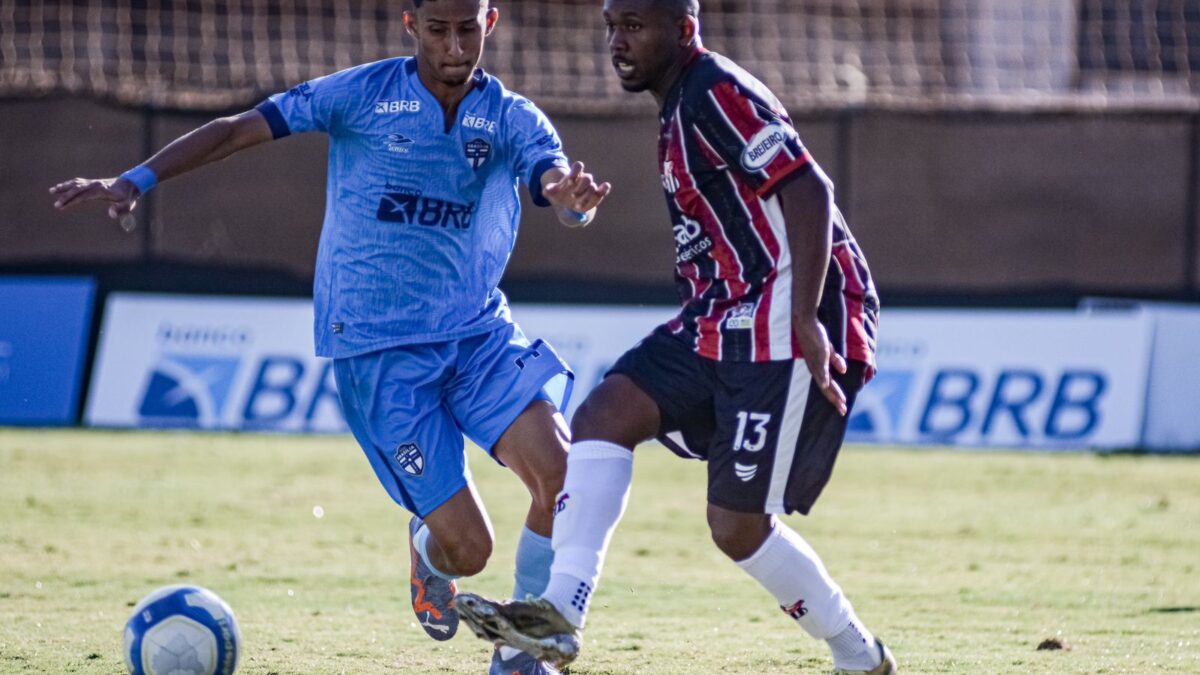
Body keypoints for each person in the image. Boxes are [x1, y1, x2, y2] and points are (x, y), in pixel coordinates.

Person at [50, 1, 610, 673]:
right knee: (470, 550)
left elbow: (550, 178)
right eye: (439, 29)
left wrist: (571, 203)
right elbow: (237, 129)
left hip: (478, 335)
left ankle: (524, 651)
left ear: (490, 22)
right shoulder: (360, 95)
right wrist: (136, 178)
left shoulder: (514, 118)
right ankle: (430, 551)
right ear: (410, 23)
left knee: (563, 472)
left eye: (469, 28)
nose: (456, 46)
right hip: (376, 351)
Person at [455, 0, 896, 673]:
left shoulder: (716, 92)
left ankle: (858, 654)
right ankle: (560, 615)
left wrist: (807, 318)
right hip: (719, 318)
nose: (617, 41)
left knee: (738, 529)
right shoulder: (677, 107)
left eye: (634, 26)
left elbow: (810, 190)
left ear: (684, 29)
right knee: (605, 413)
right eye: (612, 26)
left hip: (783, 321)